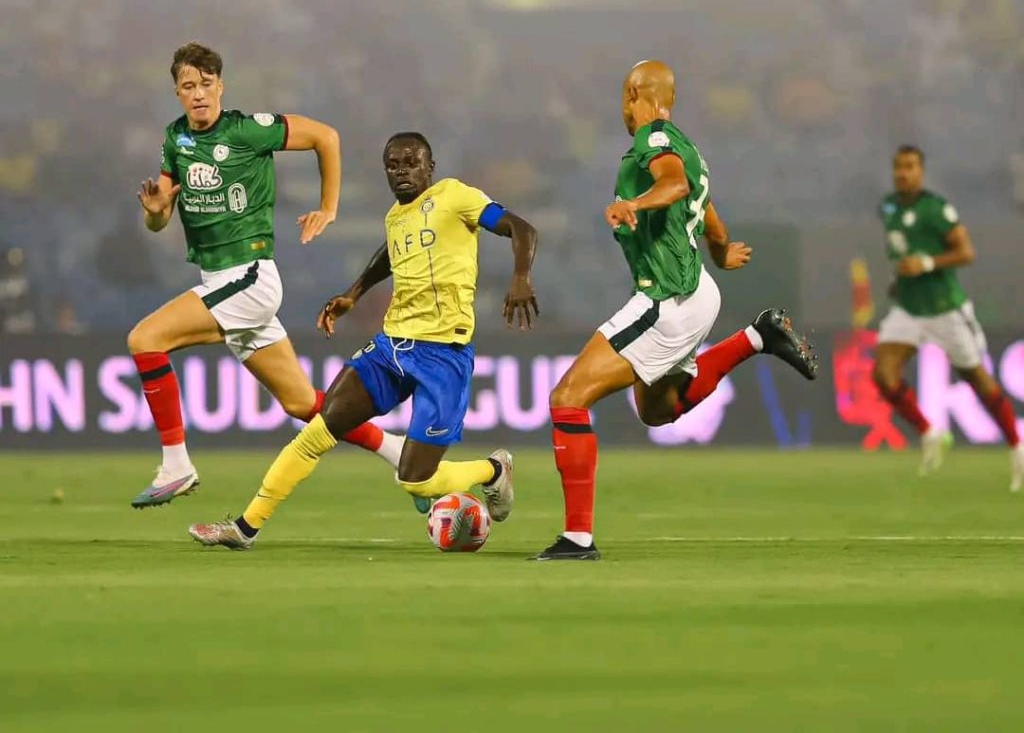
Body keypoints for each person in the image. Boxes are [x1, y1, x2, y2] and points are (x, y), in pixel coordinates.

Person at [189, 131, 539, 549]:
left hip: (444, 355)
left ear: (431, 166)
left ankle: (493, 470)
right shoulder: (396, 217)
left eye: (411, 162)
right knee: (319, 430)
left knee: (417, 482)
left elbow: (521, 228)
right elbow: (390, 253)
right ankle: (245, 528)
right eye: (393, 165)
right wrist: (353, 293)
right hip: (392, 347)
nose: (402, 172)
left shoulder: (455, 195)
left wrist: (520, 278)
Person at [533, 61, 818, 561]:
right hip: (699, 293)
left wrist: (635, 205)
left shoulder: (654, 143)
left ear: (633, 93)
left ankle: (577, 539)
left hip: (667, 297)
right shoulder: (688, 146)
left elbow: (676, 187)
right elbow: (706, 208)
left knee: (567, 397)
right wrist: (722, 251)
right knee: (658, 411)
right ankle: (758, 336)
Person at [128, 42, 400, 508]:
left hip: (250, 277)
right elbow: (160, 217)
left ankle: (176, 464)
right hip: (220, 281)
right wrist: (155, 213)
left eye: (206, 84)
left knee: (145, 340)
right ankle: (399, 451)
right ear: (177, 93)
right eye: (188, 86)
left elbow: (326, 137)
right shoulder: (176, 139)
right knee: (300, 403)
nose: (198, 94)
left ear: (221, 86)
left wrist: (328, 208)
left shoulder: (246, 130)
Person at [873, 145, 1023, 489]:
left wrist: (926, 263)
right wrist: (900, 281)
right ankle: (929, 433)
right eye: (898, 166)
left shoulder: (937, 209)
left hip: (946, 309)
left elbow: (965, 252)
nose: (903, 173)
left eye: (910, 166)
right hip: (909, 308)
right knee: (883, 375)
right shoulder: (889, 207)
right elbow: (903, 253)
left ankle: (1017, 447)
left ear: (921, 171)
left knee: (979, 382)